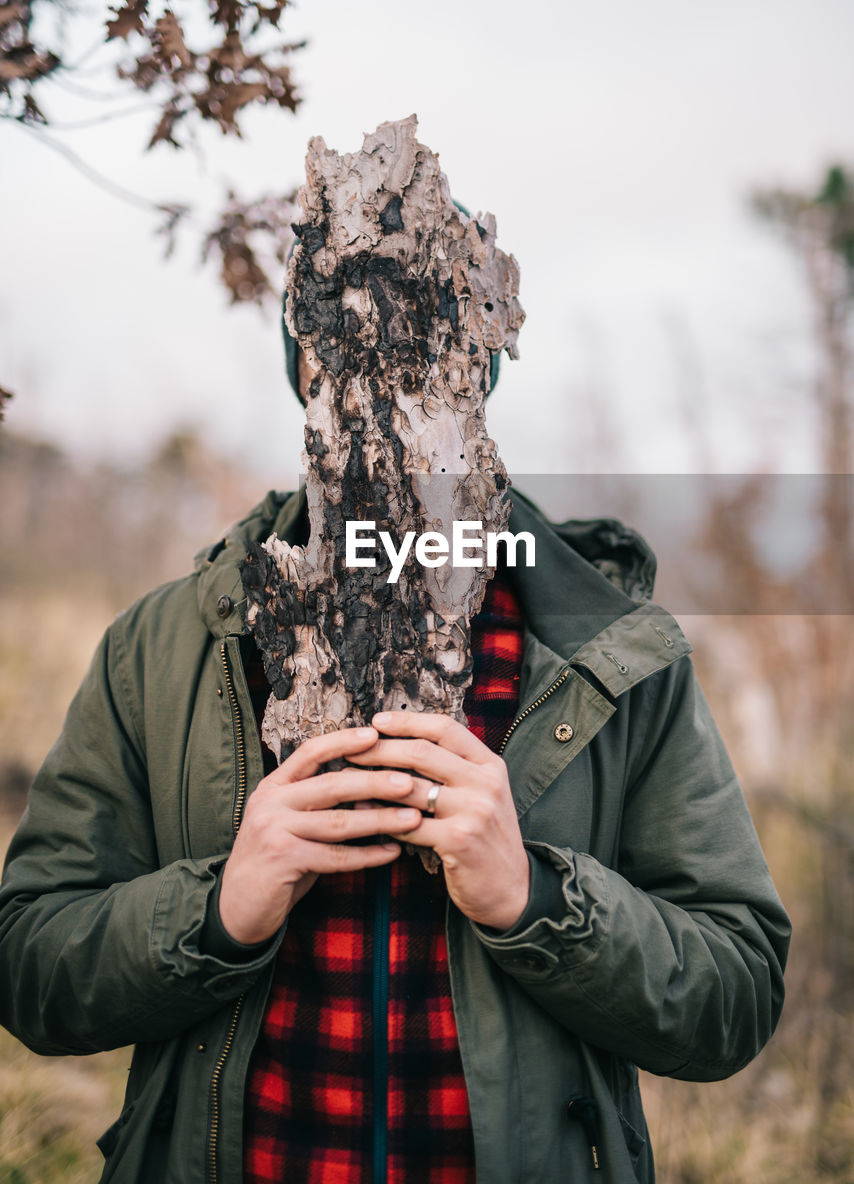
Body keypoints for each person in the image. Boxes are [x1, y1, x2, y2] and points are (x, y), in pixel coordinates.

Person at [0, 327, 790, 1184]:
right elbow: (32, 966)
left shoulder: (611, 654)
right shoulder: (163, 647)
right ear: (301, 370)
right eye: (338, 340)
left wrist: (537, 901)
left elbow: (734, 993)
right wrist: (217, 913)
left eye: (428, 344)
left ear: (480, 369)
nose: (383, 382)